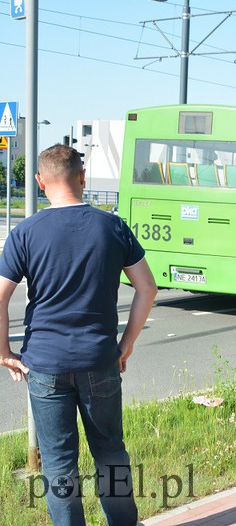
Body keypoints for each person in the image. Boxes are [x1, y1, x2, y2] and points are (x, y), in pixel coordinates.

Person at [0, 144, 158, 524]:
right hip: (100, 359)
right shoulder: (113, 227)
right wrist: (126, 344)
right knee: (110, 454)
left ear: (40, 182)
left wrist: (4, 351)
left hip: (45, 365)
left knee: (57, 464)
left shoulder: (25, 233)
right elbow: (147, 289)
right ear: (83, 178)